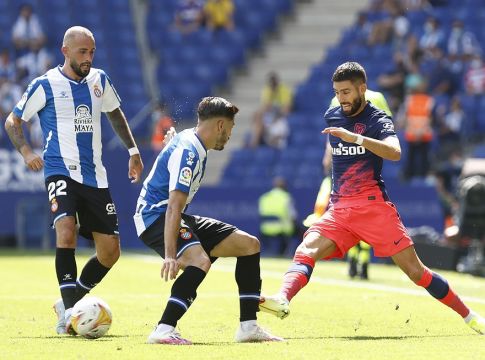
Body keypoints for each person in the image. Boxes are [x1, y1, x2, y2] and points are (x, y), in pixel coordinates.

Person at [259, 62, 485, 335]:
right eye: (337, 92)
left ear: (362, 88)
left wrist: (357, 138)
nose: (341, 98)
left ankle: (470, 315)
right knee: (306, 249)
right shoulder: (333, 115)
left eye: (345, 92)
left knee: (417, 273)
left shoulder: (377, 119)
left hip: (373, 207)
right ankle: (282, 298)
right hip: (340, 209)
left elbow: (395, 152)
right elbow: (334, 153)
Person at [4, 26, 144, 335]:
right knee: (65, 230)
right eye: (83, 52)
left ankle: (68, 303)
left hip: (95, 175)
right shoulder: (46, 84)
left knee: (110, 252)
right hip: (59, 169)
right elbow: (13, 120)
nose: (88, 58)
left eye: (92, 51)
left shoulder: (100, 80)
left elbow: (116, 114)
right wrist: (27, 151)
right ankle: (69, 318)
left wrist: (133, 150)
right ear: (65, 51)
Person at [133, 97, 282, 345]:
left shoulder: (191, 141)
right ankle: (163, 329)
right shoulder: (189, 153)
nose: (231, 134)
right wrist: (171, 254)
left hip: (172, 215)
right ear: (221, 125)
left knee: (249, 245)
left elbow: (175, 150)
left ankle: (248, 327)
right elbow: (173, 207)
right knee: (199, 261)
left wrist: (171, 142)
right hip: (155, 216)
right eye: (232, 128)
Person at [249, 72, 292, 148]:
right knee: (257, 116)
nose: (272, 86)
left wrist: (275, 114)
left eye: (274, 83)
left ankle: (256, 142)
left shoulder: (284, 90)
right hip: (270, 116)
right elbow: (265, 107)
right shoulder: (267, 90)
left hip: (280, 117)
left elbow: (286, 109)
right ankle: (254, 142)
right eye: (271, 84)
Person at [258, 177, 297, 256]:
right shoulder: (286, 197)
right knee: (299, 231)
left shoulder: (264, 197)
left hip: (265, 229)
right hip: (282, 229)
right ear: (285, 186)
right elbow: (293, 216)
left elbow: (261, 213)